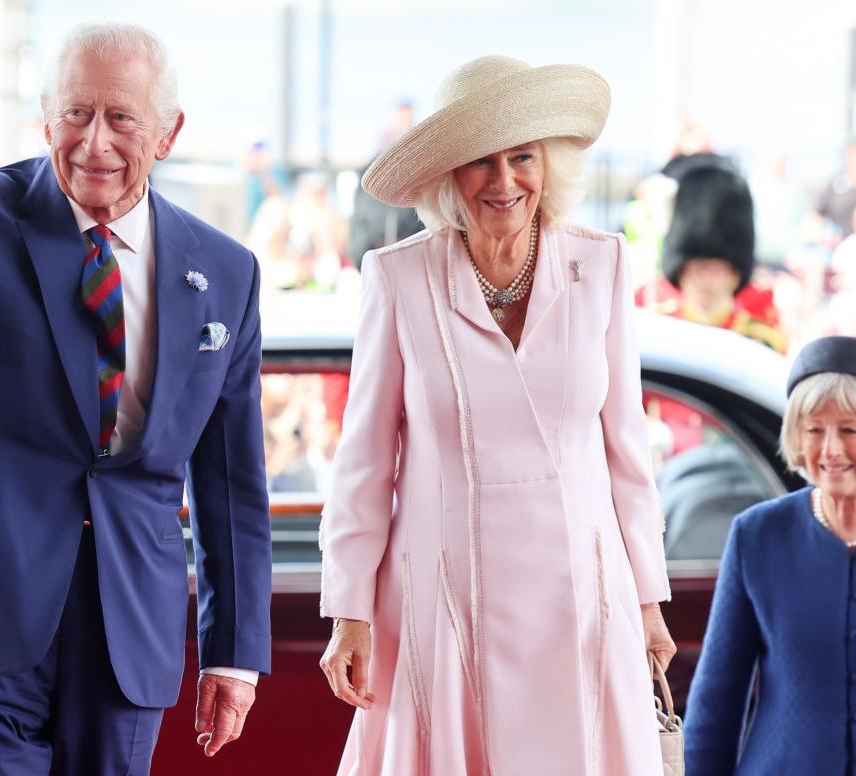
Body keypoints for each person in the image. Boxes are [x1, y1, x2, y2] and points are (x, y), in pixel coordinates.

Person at [0, 26, 271, 775]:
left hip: (128, 624)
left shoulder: (225, 271)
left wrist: (232, 655)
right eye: (75, 114)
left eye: (121, 118)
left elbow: (230, 481)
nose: (94, 142)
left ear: (167, 133)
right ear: (44, 120)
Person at [317, 55, 675, 775]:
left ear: (549, 166)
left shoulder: (600, 265)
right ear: (449, 174)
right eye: (481, 161)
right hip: (443, 598)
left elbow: (626, 455)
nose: (504, 181)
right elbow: (362, 464)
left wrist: (646, 596)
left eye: (522, 157)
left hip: (583, 596)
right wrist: (348, 610)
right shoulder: (398, 277)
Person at [684, 335, 856, 773]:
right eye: (815, 430)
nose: (832, 449)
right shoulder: (758, 535)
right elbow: (717, 701)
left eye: (850, 429)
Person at [647, 154, 786, 352]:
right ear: (681, 267)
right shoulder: (656, 328)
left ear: (736, 271)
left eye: (719, 264)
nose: (709, 268)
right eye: (700, 264)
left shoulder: (762, 339)